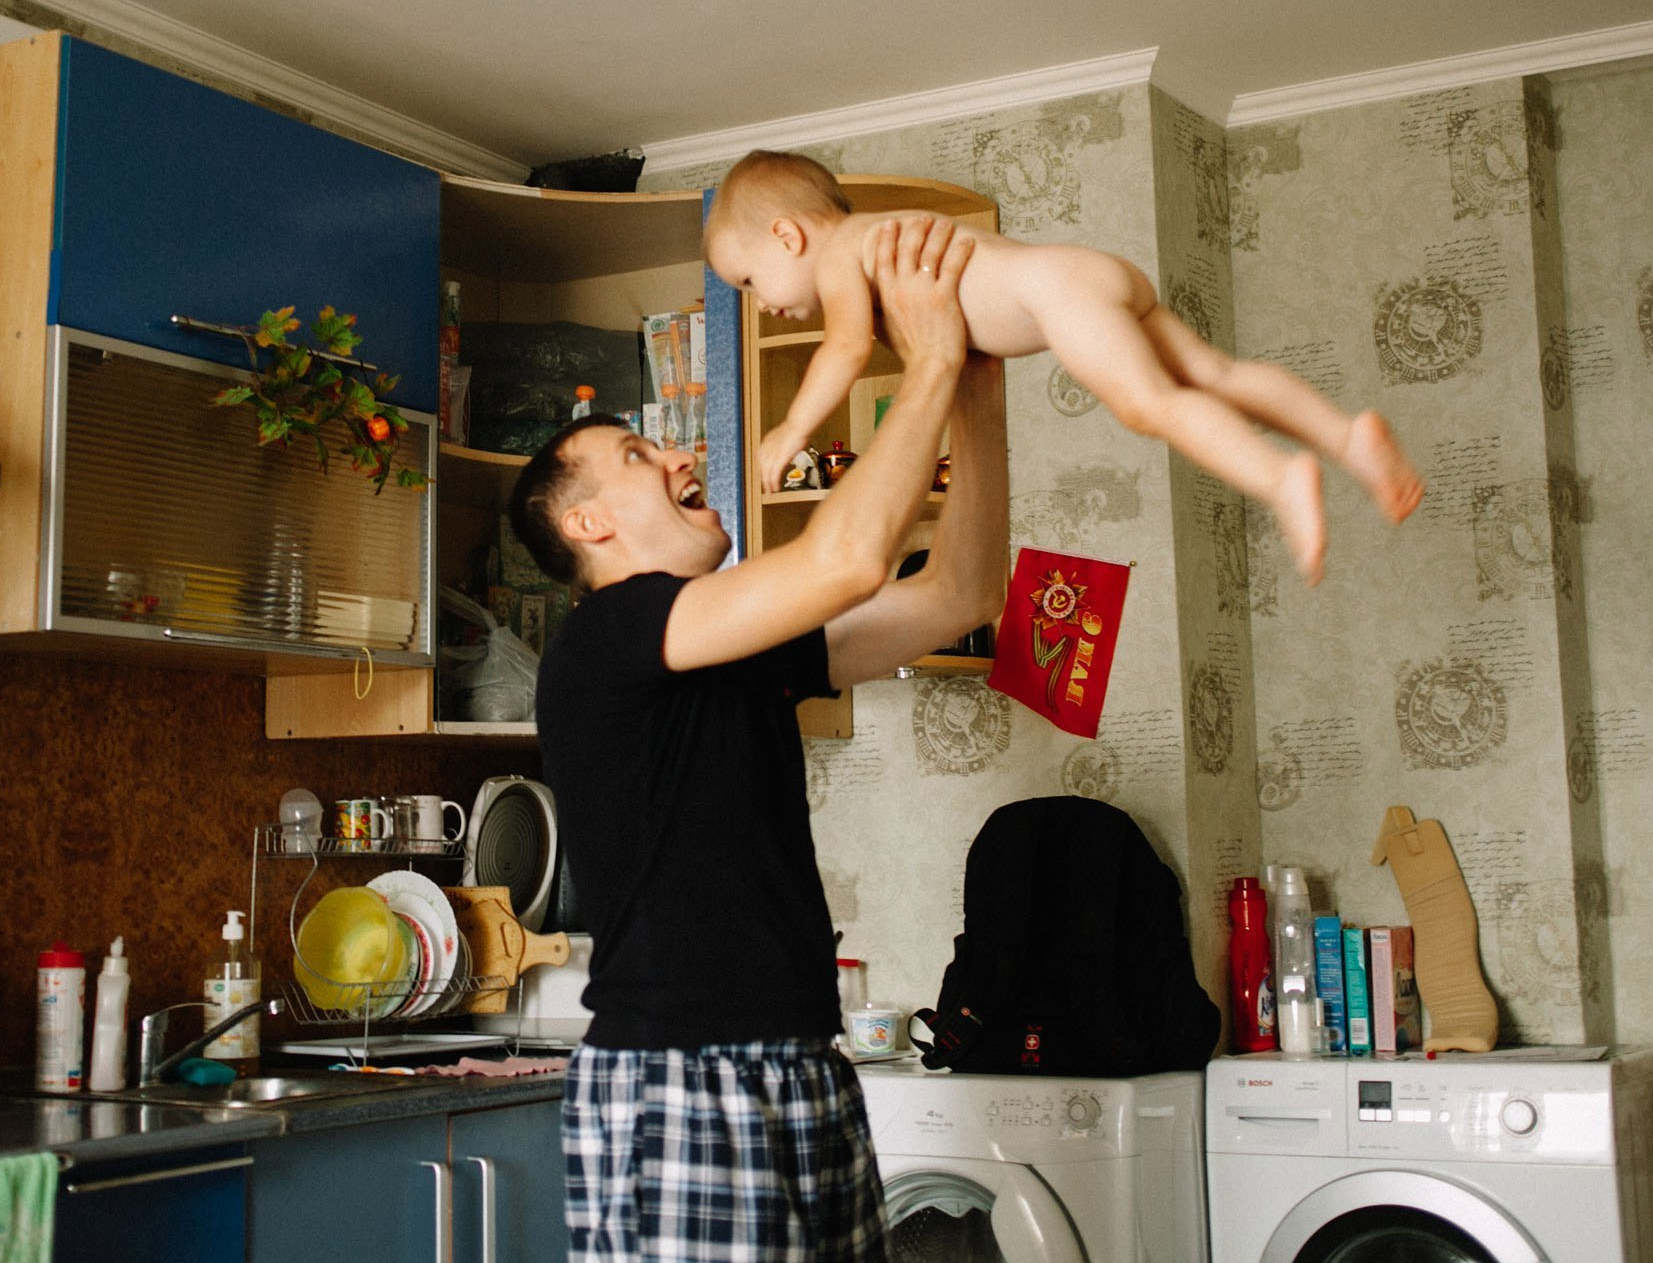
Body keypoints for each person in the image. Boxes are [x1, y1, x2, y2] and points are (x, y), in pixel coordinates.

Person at [508, 215, 1007, 1263]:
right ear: (589, 527)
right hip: (678, 1077)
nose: (683, 456)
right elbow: (847, 561)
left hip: (797, 1061)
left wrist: (976, 392)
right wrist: (929, 356)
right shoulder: (606, 640)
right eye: (641, 456)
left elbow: (961, 591)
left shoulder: (730, 647)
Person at [706, 149, 1425, 586]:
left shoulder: (841, 255)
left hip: (1059, 296)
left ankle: (1278, 476)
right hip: (1087, 274)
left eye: (748, 282)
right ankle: (1344, 436)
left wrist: (791, 429)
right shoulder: (873, 241)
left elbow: (846, 348)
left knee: (1150, 406)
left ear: (787, 235)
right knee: (1215, 374)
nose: (759, 305)